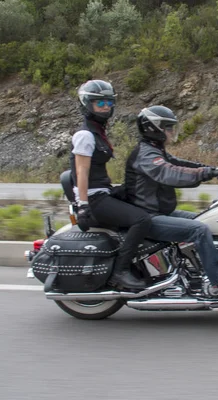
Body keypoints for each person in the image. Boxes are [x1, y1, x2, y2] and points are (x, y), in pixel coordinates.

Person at [124, 105, 218, 304]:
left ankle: (207, 268)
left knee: (207, 219)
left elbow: (182, 165)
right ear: (154, 128)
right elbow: (172, 173)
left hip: (160, 212)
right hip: (147, 216)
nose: (171, 132)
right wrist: (210, 173)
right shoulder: (146, 155)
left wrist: (217, 170)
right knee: (199, 229)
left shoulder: (155, 150)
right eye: (168, 127)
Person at [70, 79, 151, 290]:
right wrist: (83, 205)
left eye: (108, 102)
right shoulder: (85, 135)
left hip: (102, 192)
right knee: (141, 219)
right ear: (87, 104)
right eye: (100, 102)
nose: (106, 106)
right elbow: (82, 170)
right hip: (94, 199)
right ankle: (120, 273)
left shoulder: (98, 132)